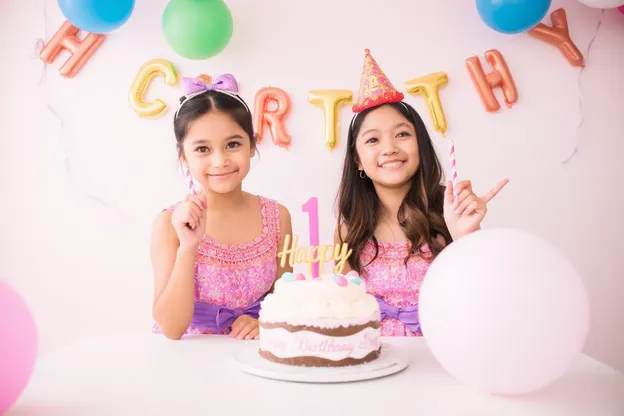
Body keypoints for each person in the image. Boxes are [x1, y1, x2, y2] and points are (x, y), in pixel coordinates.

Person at [335, 50, 508, 336]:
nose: (389, 148)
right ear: (357, 160)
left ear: (420, 144)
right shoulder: (348, 232)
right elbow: (342, 317)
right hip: (375, 365)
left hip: (442, 358)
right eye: (373, 139)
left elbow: (483, 301)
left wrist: (464, 234)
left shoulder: (449, 213)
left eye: (402, 134)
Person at [150, 74, 293, 340]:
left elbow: (284, 301)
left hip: (254, 355)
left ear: (252, 145)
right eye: (203, 149)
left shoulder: (278, 217)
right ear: (184, 156)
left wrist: (267, 322)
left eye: (233, 144)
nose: (220, 161)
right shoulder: (170, 223)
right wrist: (188, 246)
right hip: (189, 359)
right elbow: (171, 328)